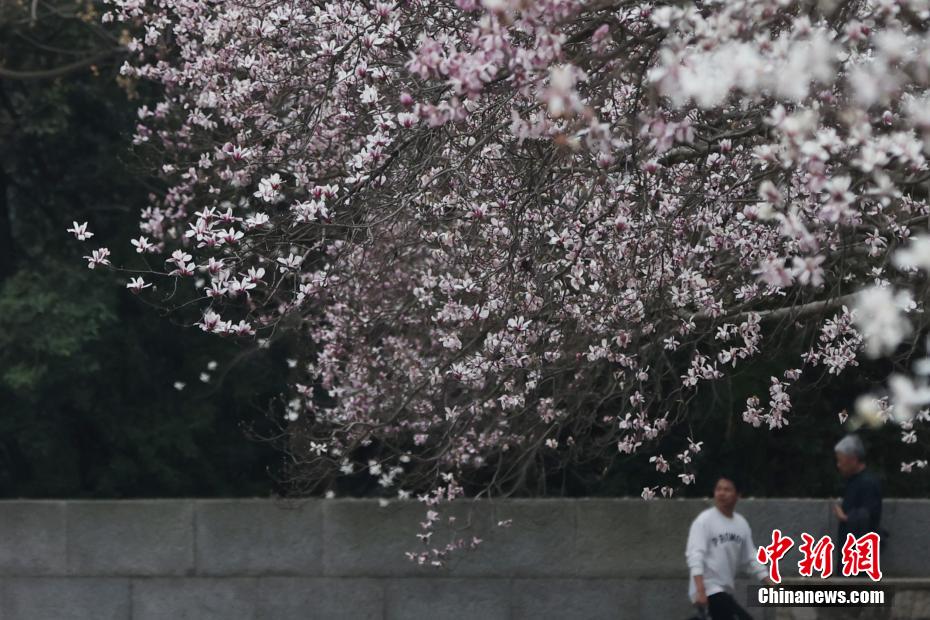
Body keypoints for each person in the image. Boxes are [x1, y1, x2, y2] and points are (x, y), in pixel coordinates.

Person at [685, 475, 771, 620]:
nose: (721, 493)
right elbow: (695, 556)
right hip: (709, 590)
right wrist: (700, 590)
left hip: (724, 590)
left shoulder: (741, 523)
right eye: (718, 489)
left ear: (738, 495)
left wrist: (769, 581)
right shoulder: (704, 521)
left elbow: (750, 557)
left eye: (727, 490)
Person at [833, 434, 883, 545]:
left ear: (853, 460)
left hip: (861, 551)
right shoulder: (853, 480)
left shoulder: (868, 483)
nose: (839, 465)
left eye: (841, 461)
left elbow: (868, 515)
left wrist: (844, 517)